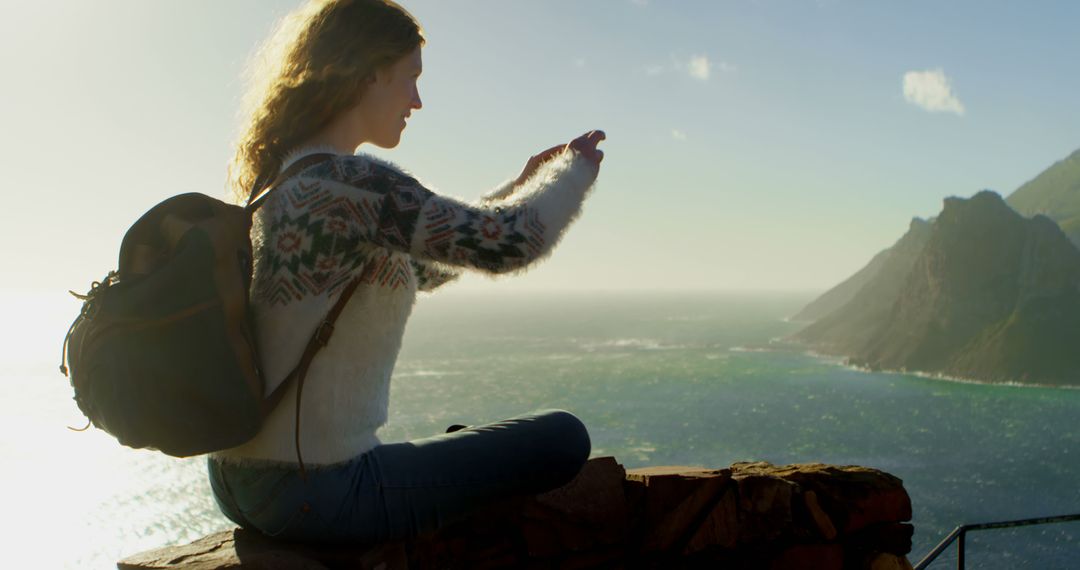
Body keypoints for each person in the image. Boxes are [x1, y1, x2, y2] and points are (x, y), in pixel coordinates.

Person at [207, 0, 606, 544]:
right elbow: (512, 242)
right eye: (410, 77)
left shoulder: (281, 181)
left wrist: (518, 187)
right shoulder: (356, 183)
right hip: (319, 491)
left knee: (472, 446)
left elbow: (422, 270)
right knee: (563, 437)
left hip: (237, 483)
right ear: (370, 70)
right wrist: (575, 170)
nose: (417, 100)